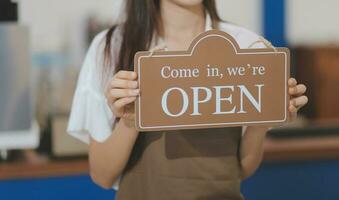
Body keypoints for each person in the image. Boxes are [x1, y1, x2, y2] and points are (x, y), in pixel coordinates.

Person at [67, 0, 308, 199]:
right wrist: (130, 122)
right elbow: (102, 175)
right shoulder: (112, 47)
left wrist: (263, 120)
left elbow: (240, 170)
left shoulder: (247, 46)